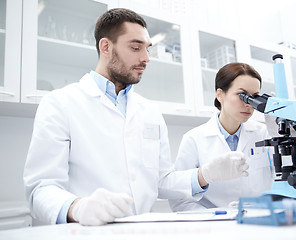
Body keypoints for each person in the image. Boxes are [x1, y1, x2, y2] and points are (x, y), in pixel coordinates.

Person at [23, 8, 249, 226]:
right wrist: (78, 208)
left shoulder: (149, 111)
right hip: (84, 231)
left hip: (139, 229)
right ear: (106, 47)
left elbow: (160, 181)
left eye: (147, 48)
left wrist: (204, 175)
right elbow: (41, 189)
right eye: (135, 48)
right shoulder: (60, 103)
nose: (146, 58)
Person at [169, 63, 274, 211]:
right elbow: (179, 199)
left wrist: (282, 133)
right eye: (242, 95)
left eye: (254, 97)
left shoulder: (265, 133)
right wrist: (217, 219)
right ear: (220, 95)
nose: (249, 104)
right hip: (215, 227)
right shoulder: (193, 139)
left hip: (260, 219)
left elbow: (288, 181)